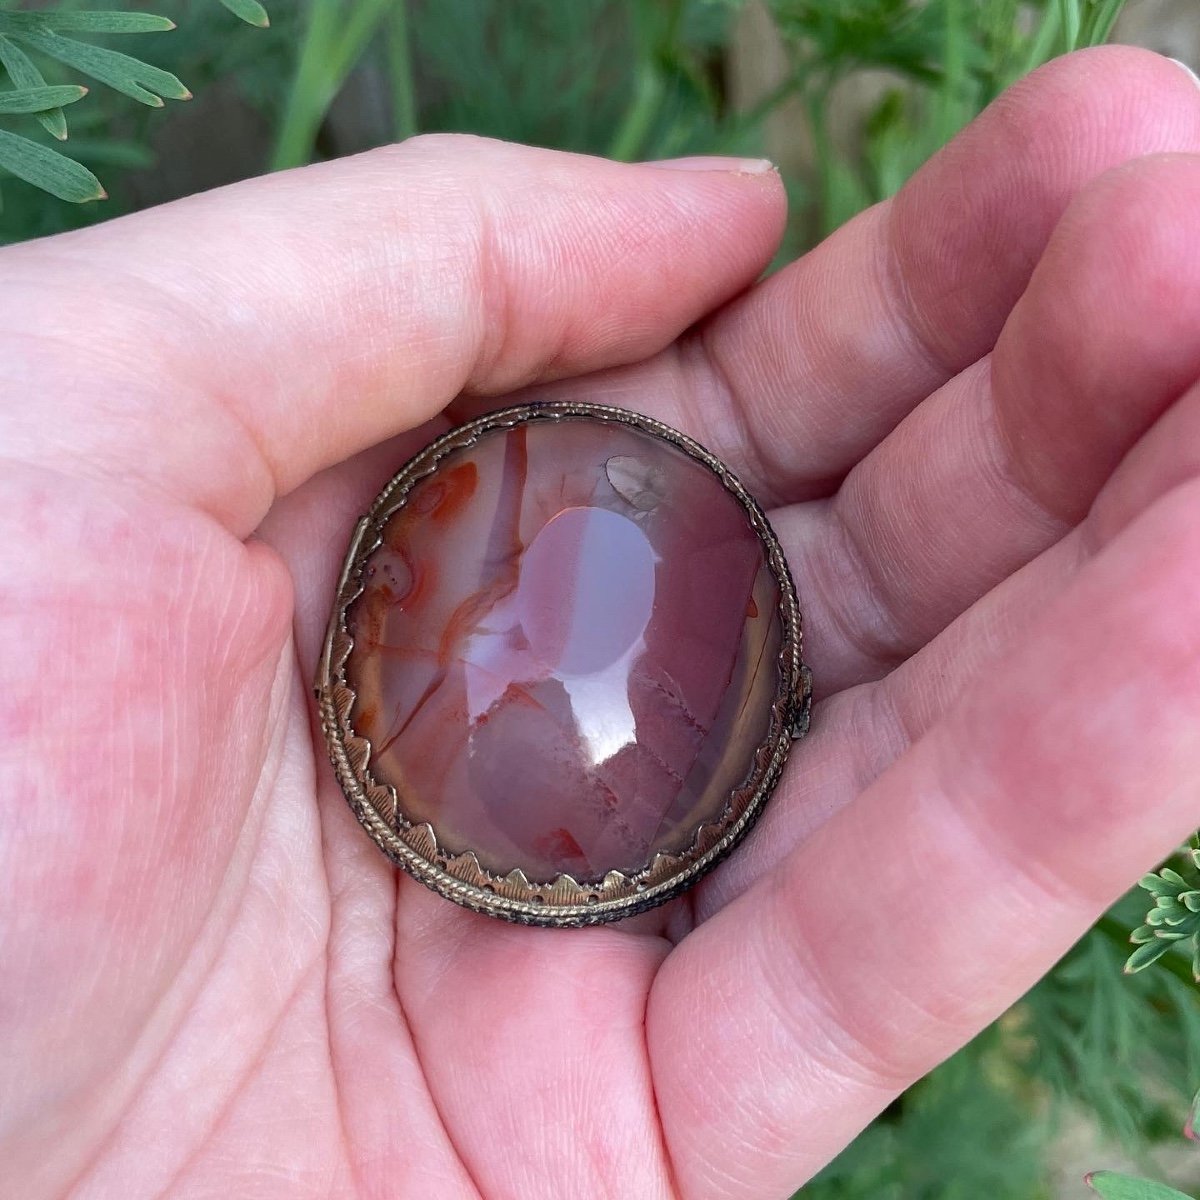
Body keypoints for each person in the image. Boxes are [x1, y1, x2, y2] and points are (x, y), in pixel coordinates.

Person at [3, 43, 1200, 1200]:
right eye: (527, 595)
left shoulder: (616, 697)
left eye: (550, 605)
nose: (514, 623)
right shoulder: (464, 668)